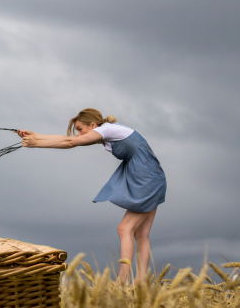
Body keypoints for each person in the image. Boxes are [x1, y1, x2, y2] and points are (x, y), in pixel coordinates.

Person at [16, 108, 166, 285]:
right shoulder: (107, 132)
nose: (79, 133)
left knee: (124, 229)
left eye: (80, 128)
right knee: (141, 234)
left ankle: (123, 280)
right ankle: (141, 283)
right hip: (151, 177)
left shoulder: (106, 130)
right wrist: (37, 136)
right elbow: (68, 140)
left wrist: (37, 143)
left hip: (147, 179)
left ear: (93, 125)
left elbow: (71, 142)